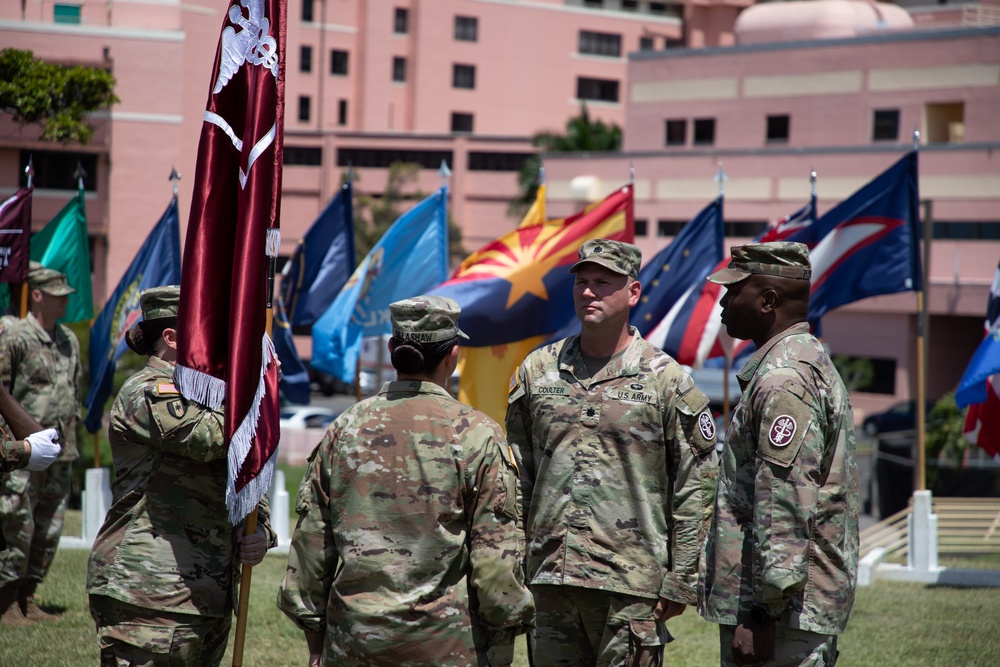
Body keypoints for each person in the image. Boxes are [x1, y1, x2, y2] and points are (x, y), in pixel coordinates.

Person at [278, 295, 534, 667]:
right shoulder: (478, 434)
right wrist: (501, 643)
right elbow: (495, 563)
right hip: (448, 647)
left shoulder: (345, 428)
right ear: (454, 355)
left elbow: (311, 550)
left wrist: (316, 644)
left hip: (353, 643)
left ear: (392, 349)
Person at [506, 239, 719, 666]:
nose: (588, 292)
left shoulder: (665, 379)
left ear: (633, 292)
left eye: (603, 282)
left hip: (630, 585)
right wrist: (513, 561)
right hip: (550, 579)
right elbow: (516, 475)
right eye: (582, 282)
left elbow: (695, 485)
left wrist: (680, 580)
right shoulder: (538, 370)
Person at [86, 285, 275, 666]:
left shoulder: (214, 396)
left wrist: (260, 529)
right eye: (213, 329)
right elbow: (210, 439)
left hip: (207, 593)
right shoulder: (148, 391)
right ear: (172, 337)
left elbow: (242, 466)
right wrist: (258, 391)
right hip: (151, 590)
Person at [697, 242, 859, 667]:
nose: (724, 303)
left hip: (781, 616)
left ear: (768, 301)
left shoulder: (784, 380)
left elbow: (784, 502)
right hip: (784, 608)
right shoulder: (794, 364)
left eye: (734, 292)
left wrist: (762, 612)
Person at [0, 262, 83, 624]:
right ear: (37, 295)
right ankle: (5, 601)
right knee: (17, 524)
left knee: (48, 529)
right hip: (23, 452)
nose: (65, 302)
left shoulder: (69, 340)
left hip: (60, 452)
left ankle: (28, 596)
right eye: (57, 295)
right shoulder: (15, 337)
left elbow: (74, 390)